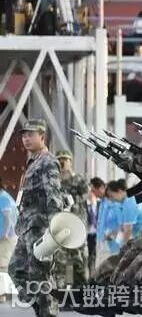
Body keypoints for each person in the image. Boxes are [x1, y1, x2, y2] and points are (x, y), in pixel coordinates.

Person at [10, 119, 64, 317]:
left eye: (31, 134)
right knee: (16, 270)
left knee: (40, 275)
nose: (26, 139)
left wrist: (53, 228)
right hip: (27, 227)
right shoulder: (33, 162)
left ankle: (48, 312)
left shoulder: (48, 161)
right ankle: (40, 307)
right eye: (24, 135)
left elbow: (54, 196)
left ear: (42, 136)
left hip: (41, 227)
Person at [52, 150, 89, 287]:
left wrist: (72, 200)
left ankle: (80, 290)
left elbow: (86, 195)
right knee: (60, 260)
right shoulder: (54, 181)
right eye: (59, 160)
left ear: (70, 162)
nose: (62, 163)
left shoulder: (78, 179)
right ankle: (61, 289)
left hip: (77, 224)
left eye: (65, 160)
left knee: (78, 259)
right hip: (60, 225)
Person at [86, 178, 104, 272]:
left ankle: (95, 273)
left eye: (92, 191)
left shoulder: (101, 204)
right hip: (88, 234)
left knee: (96, 256)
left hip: (97, 233)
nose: (91, 193)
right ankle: (91, 274)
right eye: (90, 191)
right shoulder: (83, 205)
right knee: (89, 256)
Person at [0, 178, 15, 275]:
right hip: (4, 237)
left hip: (6, 239)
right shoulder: (4, 196)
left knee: (2, 269)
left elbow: (8, 219)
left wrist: (5, 234)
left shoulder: (3, 198)